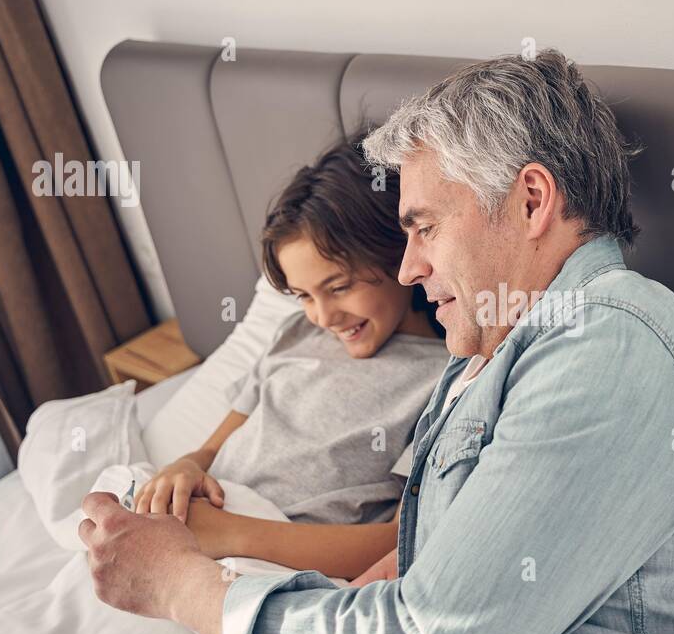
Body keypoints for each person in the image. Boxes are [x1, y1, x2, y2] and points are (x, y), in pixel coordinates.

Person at [79, 48, 674, 634]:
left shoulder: (614, 347)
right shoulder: (484, 365)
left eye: (424, 226)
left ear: (531, 200)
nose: (410, 267)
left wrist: (179, 584)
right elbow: (424, 593)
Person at [131, 133, 448, 582]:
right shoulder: (294, 332)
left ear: (400, 254)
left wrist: (228, 534)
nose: (323, 316)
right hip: (203, 518)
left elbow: (397, 543)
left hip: (265, 557)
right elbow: (214, 446)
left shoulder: (443, 380)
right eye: (303, 295)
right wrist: (186, 466)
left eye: (339, 287)